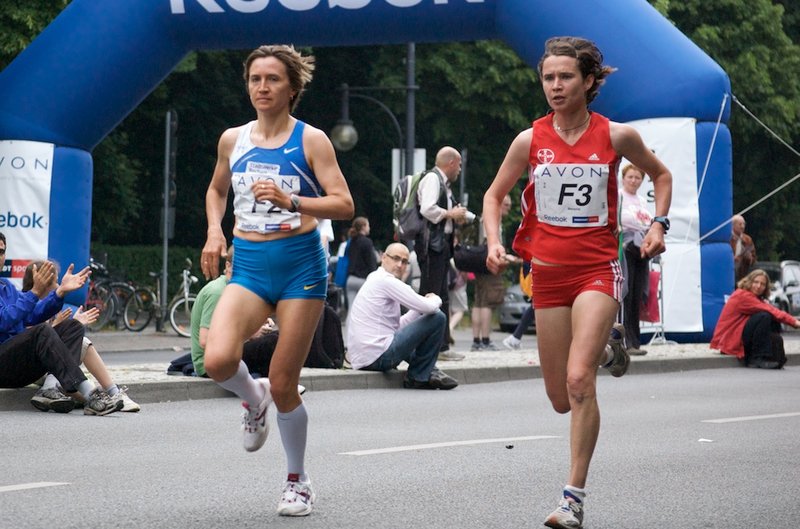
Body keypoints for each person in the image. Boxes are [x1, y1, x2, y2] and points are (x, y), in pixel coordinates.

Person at [481, 37, 672, 529]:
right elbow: (494, 195)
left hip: (596, 269)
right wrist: (493, 241)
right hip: (546, 273)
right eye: (548, 78)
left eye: (566, 77)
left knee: (578, 379)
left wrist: (658, 225)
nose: (556, 86)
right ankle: (610, 351)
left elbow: (662, 175)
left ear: (589, 81)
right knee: (559, 397)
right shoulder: (530, 140)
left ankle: (572, 499)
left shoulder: (615, 136)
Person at [200, 45, 354, 517]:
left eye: (272, 80)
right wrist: (213, 231)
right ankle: (253, 398)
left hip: (300, 266)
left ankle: (297, 481)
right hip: (248, 261)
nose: (262, 88)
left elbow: (344, 204)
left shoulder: (312, 141)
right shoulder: (233, 139)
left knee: (286, 382)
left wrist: (295, 202)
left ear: (292, 88)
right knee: (218, 360)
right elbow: (216, 189)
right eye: (255, 79)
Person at [0, 233, 123, 416]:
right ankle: (91, 395)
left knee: (73, 326)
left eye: (1, 252)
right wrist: (34, 292)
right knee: (43, 330)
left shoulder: (7, 287)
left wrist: (59, 292)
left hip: (18, 365)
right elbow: (4, 320)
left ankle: (49, 388)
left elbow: (32, 315)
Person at [21, 261, 140, 413]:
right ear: (43, 281)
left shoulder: (50, 304)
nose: (58, 285)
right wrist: (61, 326)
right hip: (36, 365)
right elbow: (30, 339)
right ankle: (104, 395)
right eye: (55, 280)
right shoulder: (27, 301)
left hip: (51, 365)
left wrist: (72, 325)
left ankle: (113, 393)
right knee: (81, 348)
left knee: (82, 345)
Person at [346, 243, 458, 390]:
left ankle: (430, 372)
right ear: (384, 258)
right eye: (396, 258)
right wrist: (436, 298)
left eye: (404, 261)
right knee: (438, 317)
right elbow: (430, 307)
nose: (400, 265)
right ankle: (419, 376)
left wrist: (418, 310)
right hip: (377, 357)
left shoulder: (374, 278)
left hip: (364, 358)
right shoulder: (386, 281)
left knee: (424, 322)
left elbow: (397, 327)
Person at [416, 146, 469, 361]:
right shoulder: (432, 180)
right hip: (431, 246)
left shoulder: (443, 184)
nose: (460, 170)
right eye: (459, 165)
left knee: (442, 295)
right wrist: (451, 214)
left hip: (440, 245)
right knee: (431, 294)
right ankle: (425, 346)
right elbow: (427, 209)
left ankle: (442, 346)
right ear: (451, 163)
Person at [710, 269, 795, 369]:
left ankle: (771, 358)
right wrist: (795, 322)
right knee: (764, 316)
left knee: (772, 321)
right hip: (730, 341)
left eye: (762, 284)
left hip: (739, 337)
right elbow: (772, 311)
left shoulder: (756, 298)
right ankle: (757, 358)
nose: (759, 286)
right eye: (756, 282)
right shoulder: (742, 295)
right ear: (749, 282)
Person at [471, 195, 517, 351]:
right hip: (489, 262)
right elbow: (489, 242)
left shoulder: (482, 217)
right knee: (487, 302)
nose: (509, 209)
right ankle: (485, 340)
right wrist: (505, 257)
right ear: (501, 203)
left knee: (478, 300)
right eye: (507, 205)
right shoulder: (492, 218)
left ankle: (476, 340)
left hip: (477, 260)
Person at [619, 164, 653, 356]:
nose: (633, 181)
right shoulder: (619, 196)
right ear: (624, 178)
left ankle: (635, 340)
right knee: (627, 293)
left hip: (641, 249)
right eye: (630, 177)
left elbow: (646, 222)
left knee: (638, 294)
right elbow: (623, 221)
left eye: (637, 178)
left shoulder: (641, 200)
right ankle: (624, 340)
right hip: (626, 247)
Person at [344, 216, 378, 309]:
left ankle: (349, 324)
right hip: (363, 280)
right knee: (365, 309)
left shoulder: (350, 242)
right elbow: (371, 263)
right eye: (368, 225)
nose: (369, 228)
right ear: (363, 227)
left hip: (350, 279)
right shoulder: (367, 242)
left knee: (351, 309)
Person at [730, 214, 756, 283]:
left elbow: (754, 259)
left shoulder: (748, 239)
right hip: (728, 273)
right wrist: (731, 259)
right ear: (732, 225)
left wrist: (750, 258)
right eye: (740, 224)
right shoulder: (726, 238)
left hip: (742, 277)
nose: (742, 226)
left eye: (744, 224)